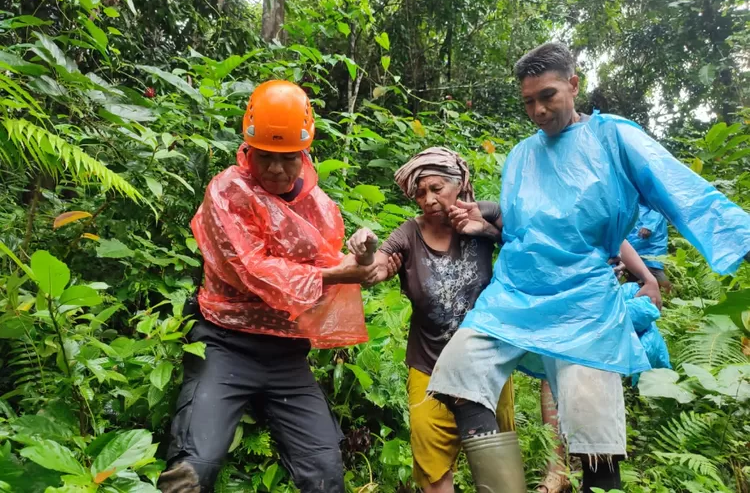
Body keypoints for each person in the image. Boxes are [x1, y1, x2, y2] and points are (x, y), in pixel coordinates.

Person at [425, 42, 750, 493]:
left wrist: (743, 238)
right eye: (527, 102)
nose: (537, 110)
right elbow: (523, 233)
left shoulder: (612, 138)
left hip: (585, 304)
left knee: (596, 443)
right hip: (516, 295)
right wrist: (487, 227)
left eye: (548, 96)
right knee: (457, 376)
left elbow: (682, 188)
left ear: (574, 85)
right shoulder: (521, 156)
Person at [157, 80, 379, 493]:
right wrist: (336, 273)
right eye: (265, 157)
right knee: (193, 468)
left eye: (288, 158)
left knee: (326, 472)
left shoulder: (319, 207)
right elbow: (251, 270)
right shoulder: (226, 191)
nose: (276, 169)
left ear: (305, 153)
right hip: (225, 343)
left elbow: (333, 268)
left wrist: (363, 257)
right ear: (248, 150)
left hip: (287, 353)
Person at [347, 147, 516, 493]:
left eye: (436, 189)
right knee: (434, 471)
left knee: (498, 470)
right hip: (430, 368)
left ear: (459, 186)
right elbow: (376, 268)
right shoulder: (409, 235)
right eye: (420, 192)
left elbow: (526, 233)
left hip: (487, 363)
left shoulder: (481, 225)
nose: (428, 199)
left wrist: (486, 219)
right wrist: (365, 254)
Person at [626, 203, 672, 292]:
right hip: (635, 236)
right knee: (634, 268)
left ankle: (669, 291)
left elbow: (658, 207)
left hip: (651, 239)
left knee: (654, 268)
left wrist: (649, 226)